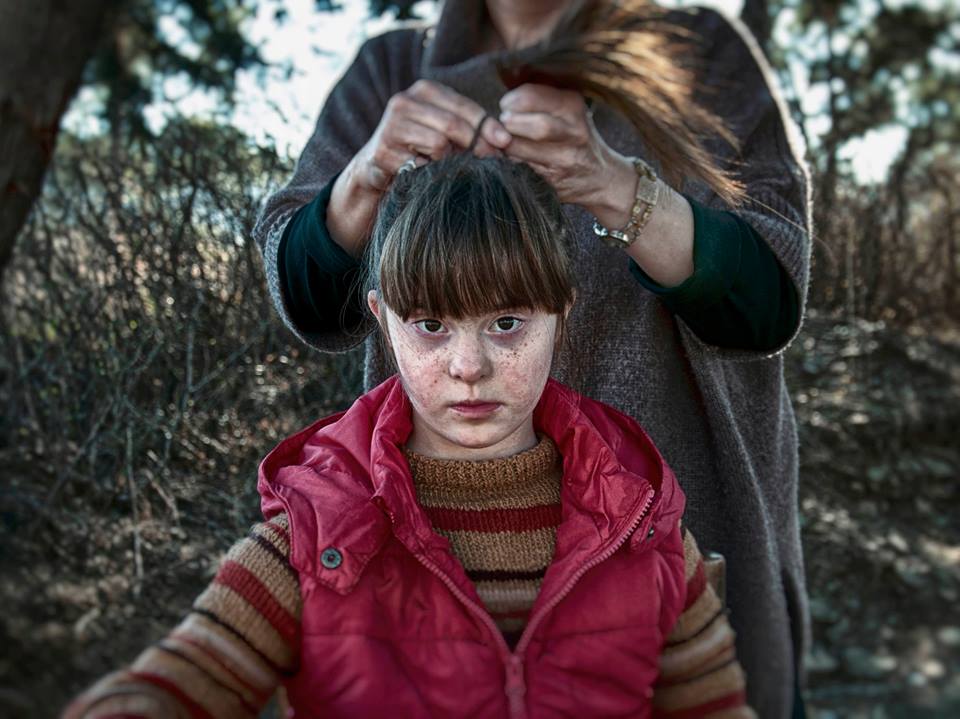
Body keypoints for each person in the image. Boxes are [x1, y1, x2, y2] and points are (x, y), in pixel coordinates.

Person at [252, 1, 812, 716]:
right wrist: (366, 176)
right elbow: (308, 297)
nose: (470, 362)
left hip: (680, 538)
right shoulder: (391, 72)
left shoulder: (699, 54)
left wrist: (615, 185)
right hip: (437, 568)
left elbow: (768, 301)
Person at [66, 155, 756, 717]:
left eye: (508, 321)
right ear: (382, 317)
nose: (469, 365)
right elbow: (186, 678)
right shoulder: (317, 529)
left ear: (560, 311)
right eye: (430, 323)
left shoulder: (639, 521)